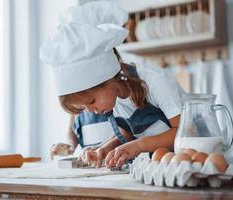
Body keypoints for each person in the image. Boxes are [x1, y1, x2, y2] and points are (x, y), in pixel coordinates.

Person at [40, 1, 183, 169]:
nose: (91, 110)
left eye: (91, 101)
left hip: (188, 164)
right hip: (160, 168)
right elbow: (128, 133)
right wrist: (104, 148)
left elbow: (183, 132)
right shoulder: (115, 97)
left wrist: (137, 146)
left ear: (105, 79)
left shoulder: (155, 81)